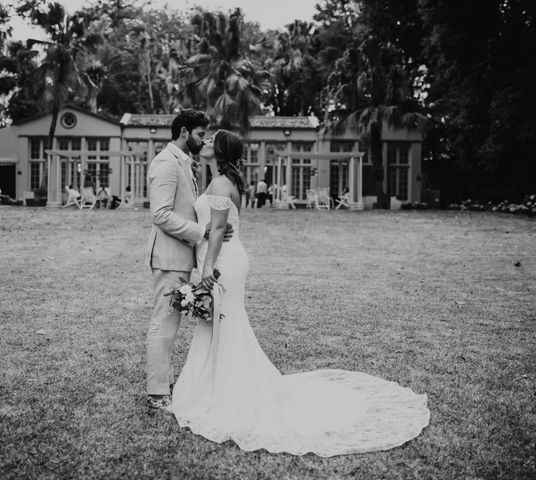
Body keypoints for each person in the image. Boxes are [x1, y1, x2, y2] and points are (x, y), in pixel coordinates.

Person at [169, 129, 430, 457]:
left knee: (228, 323)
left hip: (224, 263)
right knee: (217, 324)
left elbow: (220, 228)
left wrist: (207, 268)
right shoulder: (214, 179)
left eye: (210, 141)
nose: (204, 143)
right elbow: (213, 225)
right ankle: (210, 386)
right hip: (218, 257)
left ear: (219, 150)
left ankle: (231, 394)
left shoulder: (221, 184)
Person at [145, 109, 232, 411]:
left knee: (171, 323)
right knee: (164, 324)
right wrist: (201, 230)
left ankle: (166, 384)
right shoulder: (166, 163)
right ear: (183, 132)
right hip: (168, 257)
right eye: (198, 134)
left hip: (182, 257)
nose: (202, 139)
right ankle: (157, 394)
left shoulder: (185, 163)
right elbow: (160, 214)